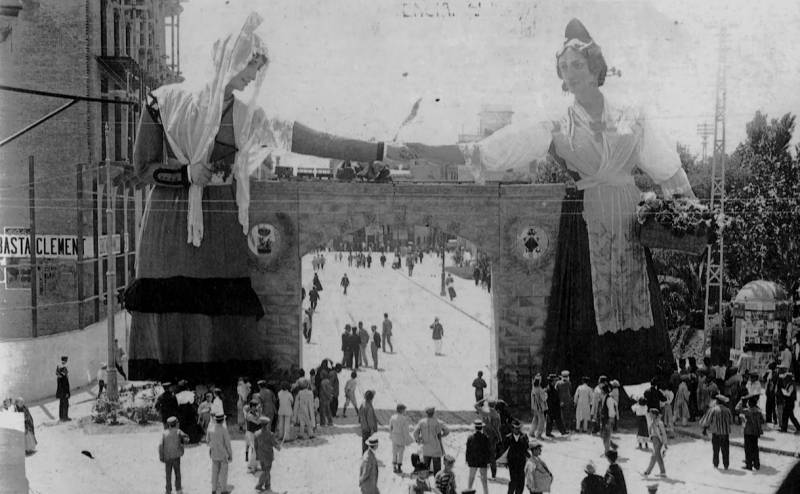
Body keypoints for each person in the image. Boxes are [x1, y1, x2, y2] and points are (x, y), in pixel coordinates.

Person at [407, 18, 691, 382]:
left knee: (634, 298)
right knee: (586, 305)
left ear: (595, 68)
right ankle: (591, 390)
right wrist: (434, 153)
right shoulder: (558, 122)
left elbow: (668, 170)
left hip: (628, 222)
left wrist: (691, 215)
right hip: (584, 222)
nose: (570, 73)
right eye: (564, 67)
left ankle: (641, 387)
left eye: (577, 65)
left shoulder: (631, 117)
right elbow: (500, 148)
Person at [413, 406, 450, 474]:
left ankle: (426, 483)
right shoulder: (438, 422)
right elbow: (447, 430)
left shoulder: (422, 422)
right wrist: (442, 435)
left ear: (426, 413)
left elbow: (415, 433)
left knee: (425, 469)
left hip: (426, 448)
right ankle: (437, 483)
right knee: (437, 471)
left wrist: (419, 440)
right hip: (436, 449)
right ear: (433, 412)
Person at [700, 394, 732, 470]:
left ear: (717, 401)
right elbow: (731, 421)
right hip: (725, 433)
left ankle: (716, 464)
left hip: (716, 433)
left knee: (716, 450)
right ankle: (726, 465)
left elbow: (707, 421)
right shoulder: (728, 410)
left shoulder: (713, 410)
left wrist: (705, 428)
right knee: (725, 450)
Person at [159, 416, 188, 494]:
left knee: (168, 474)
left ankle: (168, 490)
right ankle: (178, 489)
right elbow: (186, 439)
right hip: (176, 456)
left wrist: (161, 456)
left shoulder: (164, 433)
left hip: (167, 457)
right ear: (176, 424)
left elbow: (161, 445)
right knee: (177, 473)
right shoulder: (178, 431)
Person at [474, 399, 502, 480]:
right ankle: (493, 474)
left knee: (482, 454)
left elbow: (475, 405)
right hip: (493, 437)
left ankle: (482, 473)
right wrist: (499, 438)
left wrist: (482, 400)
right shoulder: (497, 414)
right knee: (492, 456)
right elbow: (498, 428)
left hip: (484, 435)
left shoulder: (484, 411)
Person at [736, 394, 764, 470]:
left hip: (748, 432)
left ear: (750, 404)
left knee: (748, 448)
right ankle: (756, 464)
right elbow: (762, 420)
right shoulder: (758, 411)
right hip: (755, 432)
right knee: (755, 448)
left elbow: (737, 409)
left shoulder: (747, 411)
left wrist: (741, 400)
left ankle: (749, 465)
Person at [207, 412, 232, 494]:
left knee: (214, 472)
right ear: (222, 420)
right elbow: (227, 443)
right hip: (223, 453)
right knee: (223, 473)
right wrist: (230, 454)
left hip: (214, 453)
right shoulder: (224, 429)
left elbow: (208, 441)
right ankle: (223, 490)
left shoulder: (210, 429)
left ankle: (213, 489)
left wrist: (212, 447)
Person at [254, 416, 281, 492]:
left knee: (265, 470)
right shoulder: (270, 434)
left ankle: (268, 485)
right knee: (266, 471)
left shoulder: (256, 434)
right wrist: (279, 447)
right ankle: (259, 485)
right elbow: (275, 445)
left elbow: (255, 446)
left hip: (261, 456)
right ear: (267, 424)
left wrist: (257, 456)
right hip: (268, 456)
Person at [504, 419, 530, 494]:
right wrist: (505, 462)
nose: (517, 430)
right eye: (515, 428)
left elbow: (526, 449)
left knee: (521, 481)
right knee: (513, 481)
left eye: (518, 428)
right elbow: (505, 452)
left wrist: (531, 458)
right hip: (512, 463)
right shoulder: (508, 438)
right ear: (512, 428)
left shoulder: (524, 437)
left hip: (521, 462)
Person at [465, 419, 491, 494]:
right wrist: (488, 461)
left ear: (475, 428)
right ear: (481, 428)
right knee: (484, 480)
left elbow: (468, 450)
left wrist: (467, 460)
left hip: (473, 460)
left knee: (471, 479)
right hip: (483, 461)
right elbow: (488, 451)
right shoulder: (486, 437)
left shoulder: (470, 438)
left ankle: (468, 491)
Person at [642, 408, 667, 477]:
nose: (650, 415)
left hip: (658, 441)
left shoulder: (659, 423)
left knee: (654, 456)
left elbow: (663, 434)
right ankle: (662, 472)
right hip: (654, 440)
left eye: (651, 414)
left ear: (655, 415)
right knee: (657, 457)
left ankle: (648, 471)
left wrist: (665, 443)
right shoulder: (653, 422)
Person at [390, 403, 414, 474]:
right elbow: (405, 431)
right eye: (404, 410)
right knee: (400, 452)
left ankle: (394, 466)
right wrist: (409, 439)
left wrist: (391, 435)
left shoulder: (392, 417)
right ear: (402, 410)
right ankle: (399, 467)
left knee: (394, 452)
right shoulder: (404, 419)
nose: (405, 411)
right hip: (401, 437)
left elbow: (390, 427)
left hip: (394, 436)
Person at [243, 399, 261, 472]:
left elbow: (259, 420)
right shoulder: (249, 415)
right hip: (250, 433)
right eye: (255, 406)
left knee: (256, 449)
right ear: (252, 407)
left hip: (255, 433)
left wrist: (259, 414)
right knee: (255, 449)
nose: (257, 408)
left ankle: (254, 465)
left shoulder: (255, 413)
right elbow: (257, 422)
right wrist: (259, 414)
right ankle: (251, 466)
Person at [529, 374, 548, 440]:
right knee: (542, 421)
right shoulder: (539, 389)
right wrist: (545, 392)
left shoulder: (533, 387)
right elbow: (544, 398)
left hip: (535, 407)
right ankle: (539, 434)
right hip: (540, 407)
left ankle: (531, 432)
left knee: (535, 420)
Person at [56, 355, 71, 421]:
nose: (67, 372)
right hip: (64, 392)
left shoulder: (59, 376)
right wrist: (67, 392)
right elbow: (65, 385)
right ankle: (65, 417)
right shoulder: (64, 377)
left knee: (61, 404)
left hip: (60, 392)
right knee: (65, 404)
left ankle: (61, 417)